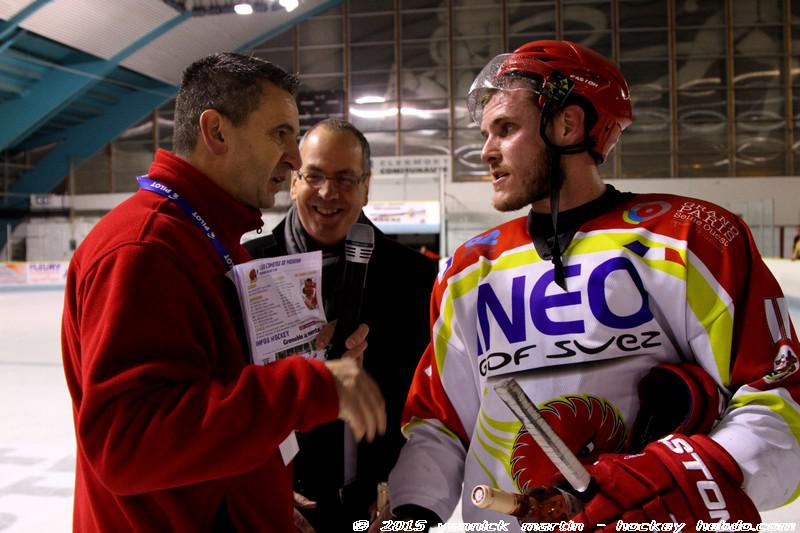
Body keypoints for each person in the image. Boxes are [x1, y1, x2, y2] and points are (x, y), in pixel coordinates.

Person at [383, 40, 800, 532]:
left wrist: (673, 481)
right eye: (486, 133)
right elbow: (441, 423)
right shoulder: (467, 270)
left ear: (568, 125)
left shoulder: (693, 238)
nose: (486, 151)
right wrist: (408, 518)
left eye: (506, 129)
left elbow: (777, 397)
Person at [60, 53, 387, 532]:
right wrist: (308, 387)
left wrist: (305, 362)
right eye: (280, 134)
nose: (294, 158)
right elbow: (127, 443)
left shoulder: (213, 240)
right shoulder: (145, 250)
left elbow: (217, 400)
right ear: (215, 131)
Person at [244, 118, 437, 532]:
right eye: (313, 176)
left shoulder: (415, 278)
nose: (328, 192)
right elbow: (228, 396)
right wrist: (260, 485)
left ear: (366, 187)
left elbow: (429, 404)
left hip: (380, 507)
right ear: (293, 182)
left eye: (346, 179)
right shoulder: (248, 270)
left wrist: (408, 494)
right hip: (274, 504)